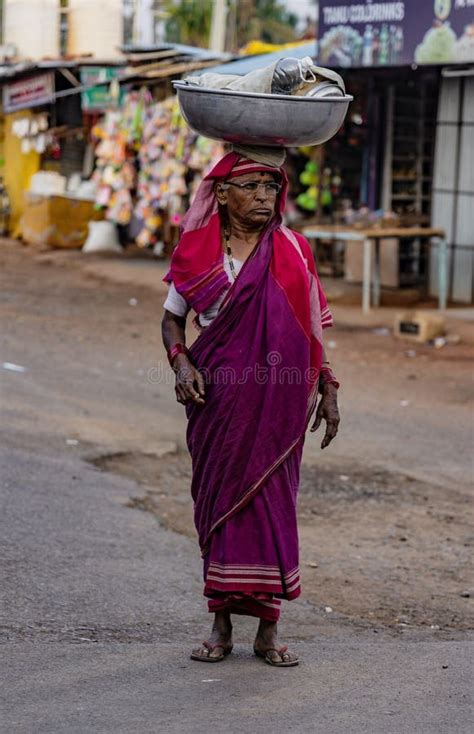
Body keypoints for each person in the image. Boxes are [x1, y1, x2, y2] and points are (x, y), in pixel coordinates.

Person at [161, 151, 340, 667]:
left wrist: (328, 386)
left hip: (280, 405)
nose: (265, 197)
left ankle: (267, 629)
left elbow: (312, 330)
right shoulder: (197, 251)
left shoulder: (294, 250)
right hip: (216, 404)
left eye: (271, 187)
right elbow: (173, 321)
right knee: (220, 509)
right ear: (220, 193)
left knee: (271, 506)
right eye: (252, 187)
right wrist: (180, 363)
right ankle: (220, 625)